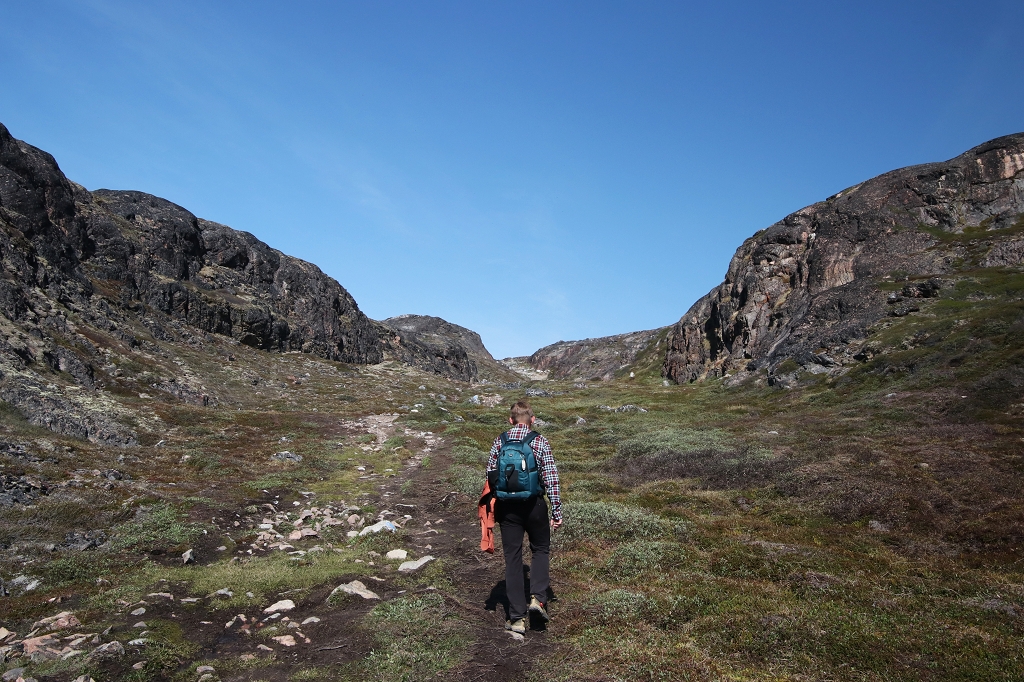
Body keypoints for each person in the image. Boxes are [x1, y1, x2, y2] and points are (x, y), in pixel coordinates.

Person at [486, 400, 562, 634]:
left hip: (507, 509)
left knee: (513, 558)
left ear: (510, 420)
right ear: (533, 419)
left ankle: (516, 618)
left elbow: (490, 475)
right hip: (534, 506)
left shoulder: (500, 441)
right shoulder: (539, 441)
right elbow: (551, 477)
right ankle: (538, 599)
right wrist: (556, 510)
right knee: (540, 549)